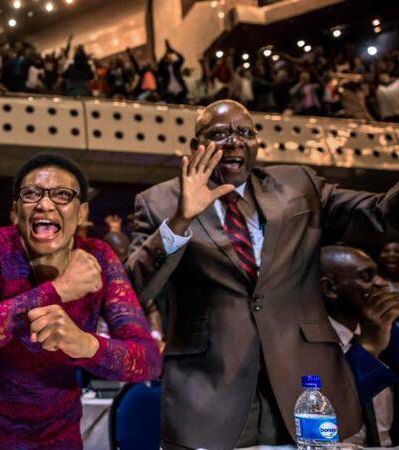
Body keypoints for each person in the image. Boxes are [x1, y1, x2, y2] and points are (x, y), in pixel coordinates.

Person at [126, 99, 399, 449]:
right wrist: (181, 220)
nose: (235, 142)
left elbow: (382, 216)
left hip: (306, 382)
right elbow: (134, 293)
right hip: (212, 389)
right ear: (196, 147)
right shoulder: (158, 202)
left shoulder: (300, 186)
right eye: (220, 134)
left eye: (245, 132)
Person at [0, 153, 162, 449]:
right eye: (31, 194)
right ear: (17, 211)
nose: (45, 204)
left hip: (58, 436)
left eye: (62, 195)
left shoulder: (100, 258)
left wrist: (85, 344)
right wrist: (58, 290)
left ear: (81, 213)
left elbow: (149, 360)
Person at [320, 245, 399, 447]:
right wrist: (369, 347)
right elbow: (328, 412)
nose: (381, 284)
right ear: (330, 288)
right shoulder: (310, 345)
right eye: (366, 276)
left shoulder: (390, 329)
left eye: (378, 274)